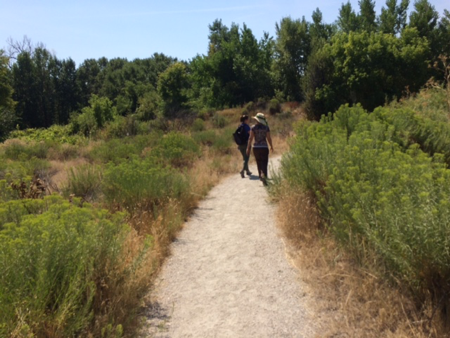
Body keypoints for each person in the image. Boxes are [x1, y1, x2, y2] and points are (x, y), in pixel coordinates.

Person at [246, 112, 274, 185]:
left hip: (256, 147)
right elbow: (269, 138)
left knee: (258, 162)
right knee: (264, 162)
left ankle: (260, 175)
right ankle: (264, 175)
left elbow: (250, 138)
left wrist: (248, 148)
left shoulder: (253, 128)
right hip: (264, 147)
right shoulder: (266, 128)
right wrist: (271, 146)